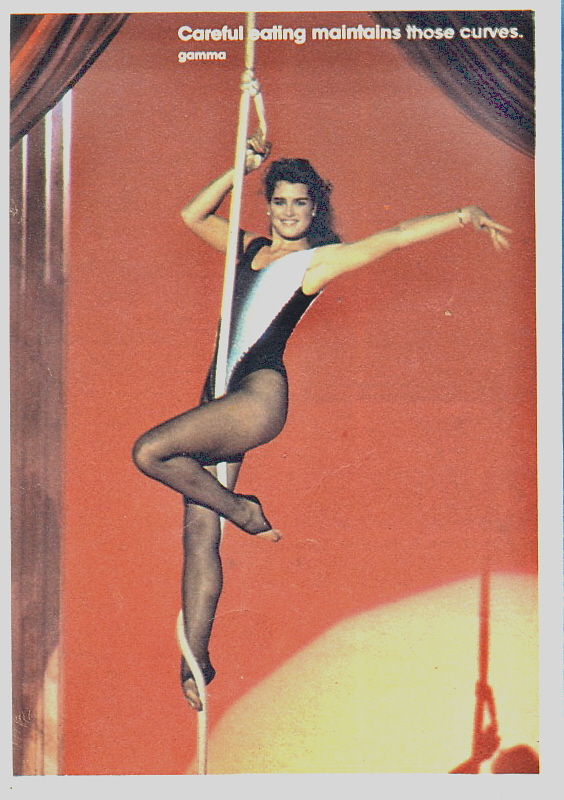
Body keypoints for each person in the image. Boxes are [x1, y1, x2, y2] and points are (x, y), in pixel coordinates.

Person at [132, 133, 511, 711]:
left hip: (256, 397)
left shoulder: (319, 260)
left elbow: (393, 236)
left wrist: (463, 215)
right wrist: (239, 168)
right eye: (279, 201)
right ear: (269, 206)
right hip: (218, 394)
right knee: (198, 534)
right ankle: (197, 662)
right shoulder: (248, 248)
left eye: (300, 203)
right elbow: (193, 216)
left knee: (151, 451)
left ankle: (244, 511)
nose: (289, 212)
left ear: (315, 209)